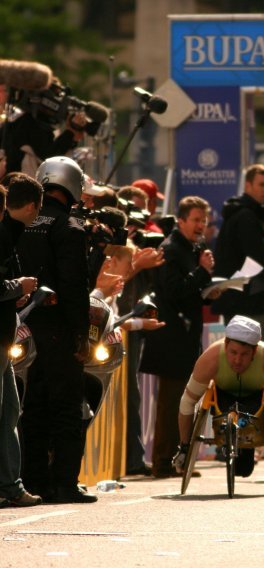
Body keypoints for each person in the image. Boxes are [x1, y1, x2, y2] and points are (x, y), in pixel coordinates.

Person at [16, 157, 94, 503]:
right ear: (73, 186)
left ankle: (33, 480)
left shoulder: (21, 221)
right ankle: (64, 482)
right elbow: (74, 287)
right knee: (66, 407)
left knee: (32, 407)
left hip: (23, 327)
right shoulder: (69, 227)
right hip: (59, 331)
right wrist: (82, 335)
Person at [139, 196, 217, 478]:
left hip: (185, 332)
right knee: (173, 400)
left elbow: (192, 292)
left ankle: (177, 459)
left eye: (204, 221)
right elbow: (174, 292)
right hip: (171, 334)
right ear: (181, 220)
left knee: (185, 398)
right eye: (195, 220)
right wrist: (202, 272)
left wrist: (210, 289)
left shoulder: (193, 248)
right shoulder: (171, 249)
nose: (200, 226)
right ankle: (163, 462)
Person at [172, 316, 264, 476]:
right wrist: (184, 446)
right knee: (241, 468)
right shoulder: (210, 359)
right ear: (225, 344)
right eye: (233, 352)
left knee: (244, 470)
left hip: (257, 403)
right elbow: (188, 402)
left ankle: (246, 450)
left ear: (255, 351)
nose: (237, 360)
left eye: (244, 354)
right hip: (222, 399)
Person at [0, 174, 42, 508]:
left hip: (4, 339)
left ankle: (11, 486)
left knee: (10, 411)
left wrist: (14, 294)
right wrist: (17, 287)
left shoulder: (8, 234)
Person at [212, 164, 264, 332]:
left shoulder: (247, 214)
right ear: (248, 185)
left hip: (242, 300)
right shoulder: (246, 216)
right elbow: (260, 257)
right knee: (251, 355)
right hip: (248, 303)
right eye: (261, 184)